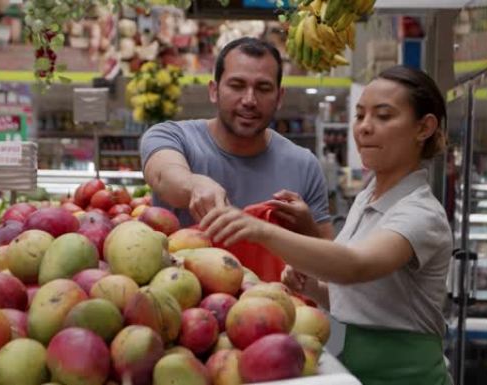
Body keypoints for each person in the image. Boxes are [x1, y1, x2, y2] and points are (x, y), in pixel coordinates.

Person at [201, 65, 453, 385]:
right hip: (354, 369)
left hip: (405, 375)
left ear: (424, 128)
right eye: (360, 115)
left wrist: (260, 230)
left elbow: (357, 266)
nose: (364, 128)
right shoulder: (367, 198)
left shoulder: (421, 213)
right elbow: (361, 298)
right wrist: (314, 288)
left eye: (383, 116)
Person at [140, 37, 333, 240]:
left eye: (263, 88)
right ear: (214, 91)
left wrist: (307, 229)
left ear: (279, 98)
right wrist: (194, 185)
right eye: (237, 85)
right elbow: (163, 176)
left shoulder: (304, 166)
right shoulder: (172, 137)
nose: (249, 100)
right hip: (180, 272)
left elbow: (329, 262)